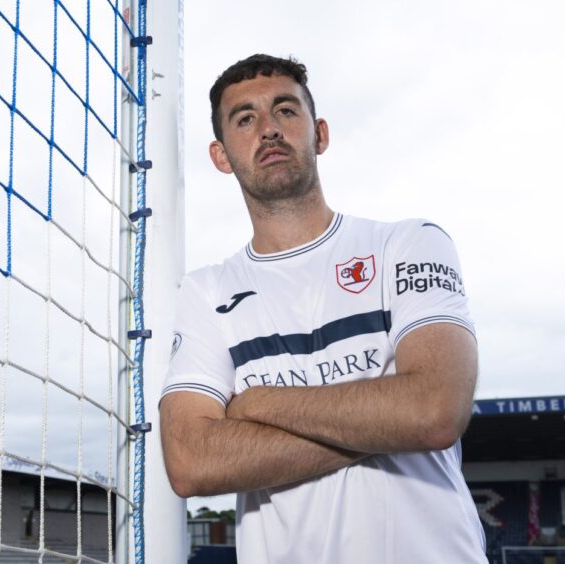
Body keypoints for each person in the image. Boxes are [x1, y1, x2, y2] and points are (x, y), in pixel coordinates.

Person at [159, 54, 487, 563]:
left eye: (286, 111)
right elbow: (190, 462)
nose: (268, 129)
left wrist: (259, 404)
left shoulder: (408, 244)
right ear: (221, 156)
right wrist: (387, 423)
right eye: (245, 119)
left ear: (321, 134)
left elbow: (435, 411)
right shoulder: (205, 292)